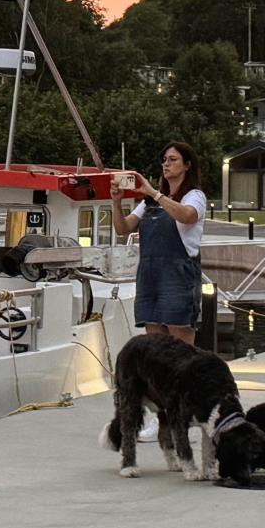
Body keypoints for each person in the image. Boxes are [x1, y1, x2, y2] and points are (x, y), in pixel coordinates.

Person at [111, 142, 208, 438]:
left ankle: (189, 414)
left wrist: (154, 193)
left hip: (178, 276)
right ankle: (160, 416)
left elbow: (187, 216)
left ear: (187, 165)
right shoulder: (149, 203)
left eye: (173, 159)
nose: (166, 164)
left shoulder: (194, 196)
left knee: (182, 354)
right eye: (164, 159)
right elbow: (123, 228)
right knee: (154, 353)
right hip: (150, 276)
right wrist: (116, 201)